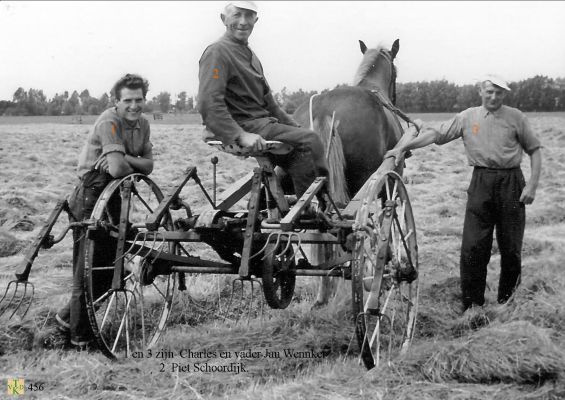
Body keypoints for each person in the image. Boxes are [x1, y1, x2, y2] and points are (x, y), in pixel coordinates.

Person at [385, 74, 542, 313]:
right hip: (481, 182)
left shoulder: (516, 118)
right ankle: (472, 304)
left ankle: (507, 302)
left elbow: (535, 151)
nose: (493, 96)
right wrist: (404, 146)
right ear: (481, 90)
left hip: (512, 182)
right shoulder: (468, 117)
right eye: (489, 91)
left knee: (511, 247)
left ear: (505, 95)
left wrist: (531, 185)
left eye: (499, 93)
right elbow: (436, 134)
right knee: (473, 246)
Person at [54, 73, 154, 349]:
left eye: (139, 99)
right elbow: (119, 169)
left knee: (114, 267)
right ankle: (79, 339)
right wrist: (127, 163)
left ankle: (67, 320)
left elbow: (146, 166)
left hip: (116, 197)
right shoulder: (109, 121)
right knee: (86, 269)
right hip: (90, 195)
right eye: (128, 100)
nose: (134, 106)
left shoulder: (143, 124)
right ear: (116, 101)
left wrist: (125, 160)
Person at [197, 0, 329, 198]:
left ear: (256, 20)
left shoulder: (250, 55)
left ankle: (295, 204)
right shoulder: (218, 51)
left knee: (303, 143)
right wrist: (241, 135)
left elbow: (271, 106)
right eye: (237, 15)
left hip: (261, 124)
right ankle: (317, 207)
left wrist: (296, 128)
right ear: (223, 19)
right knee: (311, 142)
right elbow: (208, 103)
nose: (243, 22)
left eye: (248, 16)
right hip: (244, 126)